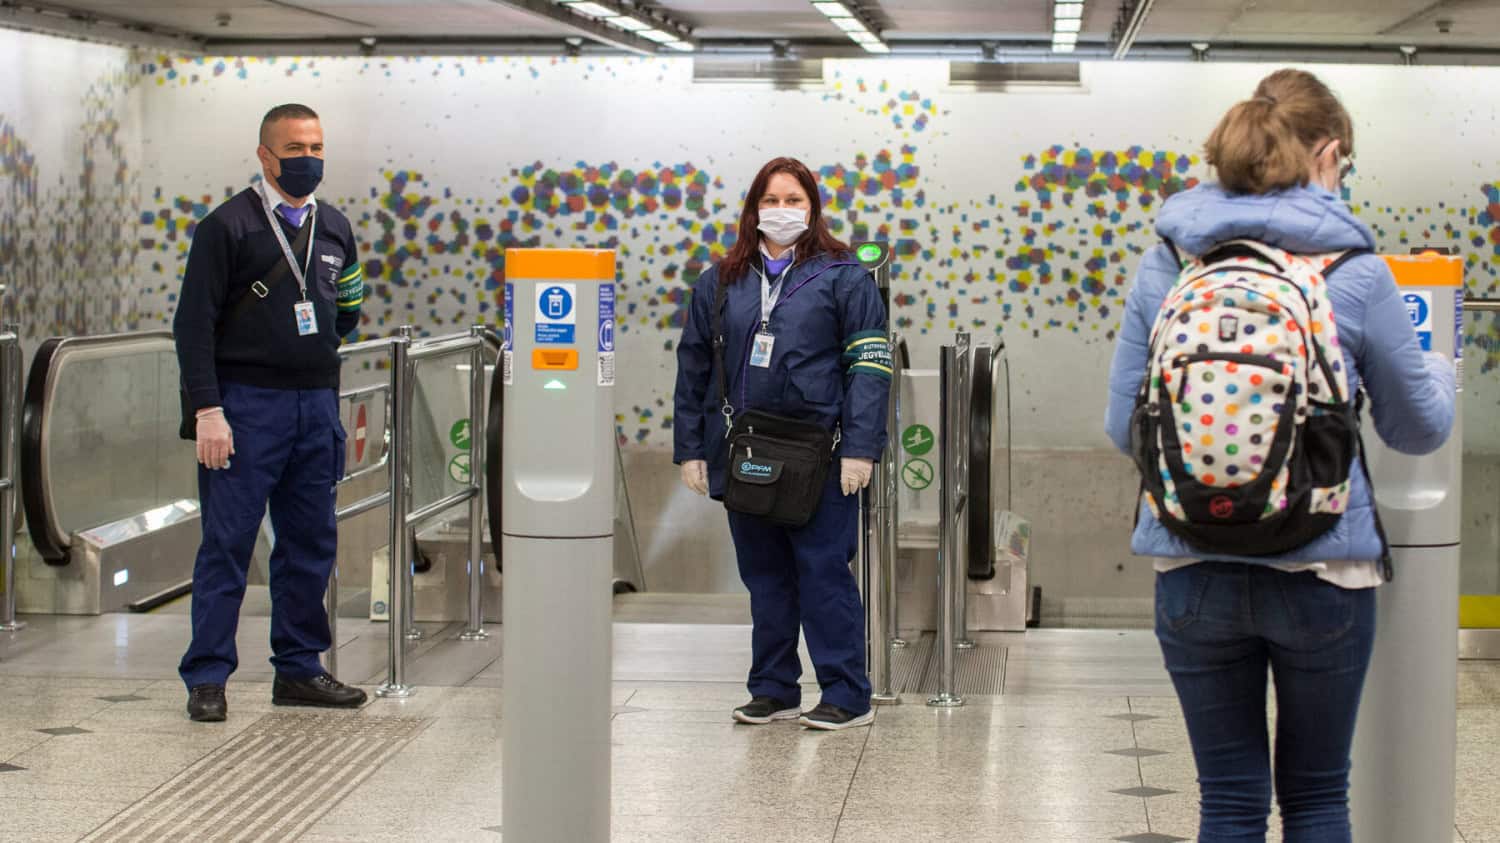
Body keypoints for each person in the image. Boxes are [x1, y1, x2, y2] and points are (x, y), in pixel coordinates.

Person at [1105, 69, 1456, 842]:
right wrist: (1440, 366)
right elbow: (1418, 428)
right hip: (1323, 567)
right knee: (1318, 797)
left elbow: (1118, 421)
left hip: (1189, 564)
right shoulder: (1355, 271)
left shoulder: (1170, 260)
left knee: (1227, 798)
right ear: (1328, 155)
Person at [674, 157, 891, 731]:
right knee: (765, 577)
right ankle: (773, 687)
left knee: (823, 572)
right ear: (753, 209)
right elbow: (694, 367)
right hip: (746, 452)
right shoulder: (720, 282)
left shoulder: (845, 277)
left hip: (822, 454)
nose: (783, 210)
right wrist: (691, 449)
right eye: (771, 200)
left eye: (794, 200)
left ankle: (847, 693)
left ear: (813, 208)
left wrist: (861, 449)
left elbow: (869, 368)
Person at [173, 103, 368, 722]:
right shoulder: (226, 228)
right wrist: (207, 409)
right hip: (244, 406)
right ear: (265, 155)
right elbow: (193, 326)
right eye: (295, 149)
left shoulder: (335, 227)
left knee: (310, 542)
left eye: (316, 147)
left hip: (316, 404)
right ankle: (207, 676)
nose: (308, 159)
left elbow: (349, 309)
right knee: (227, 544)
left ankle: (301, 667)